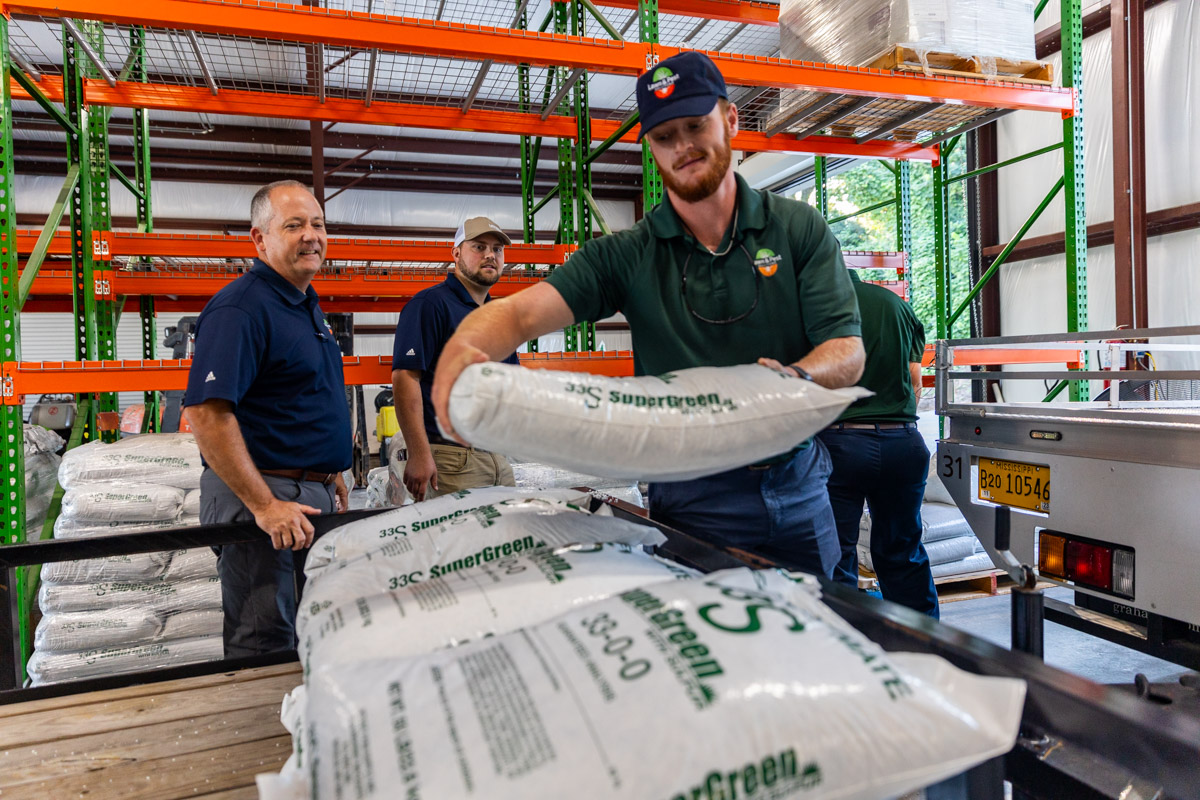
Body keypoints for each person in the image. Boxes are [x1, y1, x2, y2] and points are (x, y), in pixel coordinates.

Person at [430, 52, 864, 577]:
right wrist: (461, 349)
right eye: (664, 137)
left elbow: (847, 352)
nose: (682, 147)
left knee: (818, 639)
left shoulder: (796, 228)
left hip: (797, 486)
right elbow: (519, 316)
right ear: (651, 149)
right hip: (693, 496)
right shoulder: (628, 254)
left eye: (694, 125)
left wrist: (792, 380)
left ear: (730, 120)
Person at [184, 179, 351, 657]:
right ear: (259, 239)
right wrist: (264, 505)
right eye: (294, 225)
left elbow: (293, 399)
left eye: (318, 224)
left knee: (306, 635)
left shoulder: (304, 306)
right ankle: (263, 732)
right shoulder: (242, 308)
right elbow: (207, 413)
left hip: (304, 492)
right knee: (266, 642)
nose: (311, 236)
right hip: (267, 498)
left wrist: (327, 471)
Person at [817, 272, 939, 617]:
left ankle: (849, 642)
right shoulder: (896, 305)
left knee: (836, 552)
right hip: (903, 443)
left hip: (840, 444)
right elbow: (915, 381)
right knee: (903, 550)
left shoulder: (816, 307)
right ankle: (925, 642)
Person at [391, 217, 519, 501]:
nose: (490, 255)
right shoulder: (430, 305)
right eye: (479, 247)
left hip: (497, 459)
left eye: (497, 249)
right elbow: (405, 378)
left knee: (499, 542)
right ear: (456, 253)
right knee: (455, 544)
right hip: (450, 460)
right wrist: (419, 453)